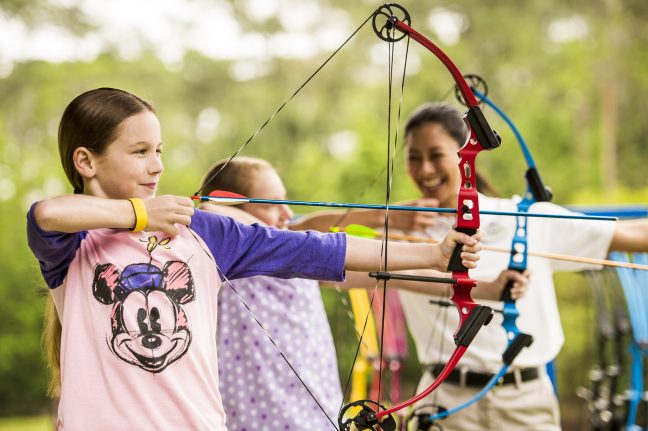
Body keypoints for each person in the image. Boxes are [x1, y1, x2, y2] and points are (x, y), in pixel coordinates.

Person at [27, 88, 482, 431]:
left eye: (159, 151)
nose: (157, 166)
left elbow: (321, 248)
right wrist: (143, 214)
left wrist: (434, 253)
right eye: (140, 152)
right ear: (86, 161)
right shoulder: (75, 245)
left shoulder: (200, 234)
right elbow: (47, 213)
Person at [303, 101, 648, 431]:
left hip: (524, 401)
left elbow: (634, 233)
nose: (424, 170)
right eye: (414, 158)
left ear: (466, 155)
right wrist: (388, 215)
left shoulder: (524, 217)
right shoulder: (399, 230)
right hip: (442, 400)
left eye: (436, 155)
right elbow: (300, 243)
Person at [199, 157, 531, 431]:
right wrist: (379, 215)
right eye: (272, 204)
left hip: (318, 417)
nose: (287, 213)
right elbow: (214, 211)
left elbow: (395, 275)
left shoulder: (303, 259)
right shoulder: (222, 253)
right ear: (231, 201)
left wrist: (484, 288)